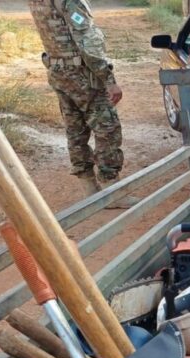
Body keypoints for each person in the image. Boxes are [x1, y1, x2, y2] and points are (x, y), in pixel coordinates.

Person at [29, 0, 137, 207]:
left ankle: (90, 189)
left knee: (75, 131)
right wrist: (109, 79)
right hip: (83, 76)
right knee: (107, 129)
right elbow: (87, 43)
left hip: (58, 72)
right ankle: (112, 192)